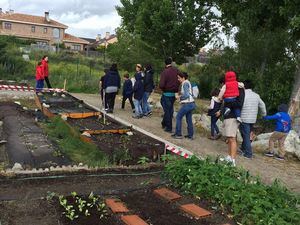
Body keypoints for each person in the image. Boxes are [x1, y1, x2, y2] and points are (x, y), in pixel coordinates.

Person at [239, 80, 266, 158]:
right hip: (252, 119)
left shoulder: (243, 94)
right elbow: (262, 105)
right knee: (246, 134)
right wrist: (263, 115)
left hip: (244, 118)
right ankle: (243, 149)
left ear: (244, 86)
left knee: (246, 135)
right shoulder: (256, 95)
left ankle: (248, 153)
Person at [219, 86, 245, 166]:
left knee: (232, 138)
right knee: (229, 138)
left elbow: (239, 103)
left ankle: (232, 160)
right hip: (228, 116)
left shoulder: (239, 89)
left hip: (233, 117)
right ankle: (229, 157)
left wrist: (228, 101)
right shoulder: (230, 88)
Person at [172, 72, 196, 139]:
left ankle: (178, 134)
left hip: (187, 104)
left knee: (178, 117)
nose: (178, 79)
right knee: (189, 120)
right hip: (192, 103)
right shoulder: (188, 82)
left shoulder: (185, 83)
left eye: (179, 78)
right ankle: (190, 135)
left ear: (183, 78)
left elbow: (186, 95)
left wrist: (178, 97)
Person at [159, 57, 180, 133]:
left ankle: (169, 127)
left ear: (165, 63)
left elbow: (161, 84)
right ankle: (164, 123)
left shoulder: (165, 72)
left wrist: (163, 88)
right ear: (171, 62)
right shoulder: (176, 70)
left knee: (168, 110)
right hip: (174, 94)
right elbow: (181, 77)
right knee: (170, 109)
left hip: (166, 93)